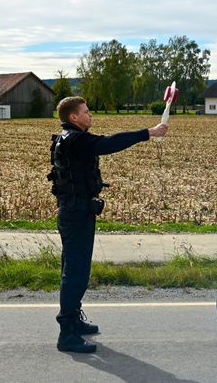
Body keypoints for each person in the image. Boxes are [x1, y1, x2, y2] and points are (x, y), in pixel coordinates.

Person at [47, 96, 169, 353]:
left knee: (74, 270)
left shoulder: (66, 138)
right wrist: (149, 132)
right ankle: (67, 333)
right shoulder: (77, 140)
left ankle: (74, 321)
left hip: (74, 210)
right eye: (86, 112)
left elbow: (64, 175)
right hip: (76, 213)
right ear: (73, 118)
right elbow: (109, 143)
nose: (91, 115)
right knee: (75, 273)